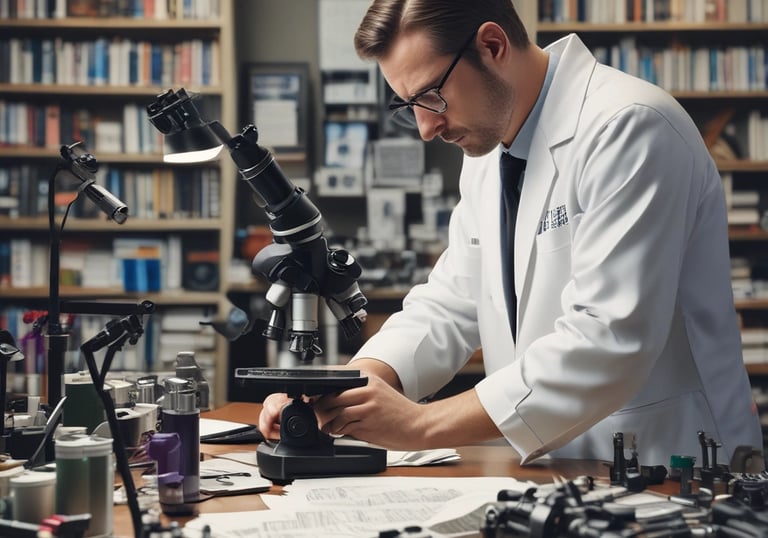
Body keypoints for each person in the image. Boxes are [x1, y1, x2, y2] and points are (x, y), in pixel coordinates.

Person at [259, 0, 763, 466]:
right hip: (558, 466)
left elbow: (609, 337)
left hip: (675, 460)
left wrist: (422, 423)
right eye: (406, 104)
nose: (425, 128)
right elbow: (452, 302)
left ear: (493, 46)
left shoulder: (629, 127)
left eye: (431, 96)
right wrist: (352, 383)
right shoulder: (489, 153)